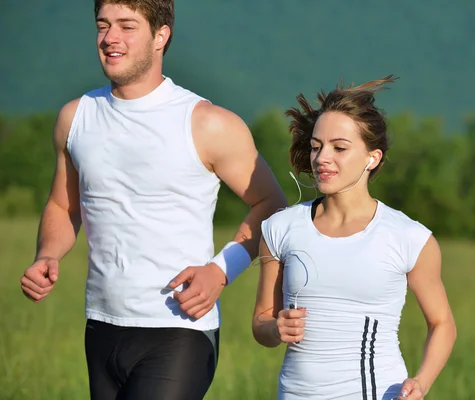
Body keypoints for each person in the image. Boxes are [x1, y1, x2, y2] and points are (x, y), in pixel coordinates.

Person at [19, 0, 287, 399]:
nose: (110, 38)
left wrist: (220, 270)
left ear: (161, 36)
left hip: (179, 331)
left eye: (127, 26)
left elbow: (271, 203)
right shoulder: (75, 118)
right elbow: (64, 206)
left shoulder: (207, 122)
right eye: (103, 25)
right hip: (101, 326)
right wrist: (47, 254)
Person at [252, 76, 457, 400]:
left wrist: (422, 382)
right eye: (317, 146)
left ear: (371, 158)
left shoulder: (409, 238)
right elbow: (261, 323)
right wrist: (275, 328)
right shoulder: (280, 228)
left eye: (339, 148)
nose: (321, 159)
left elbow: (443, 323)